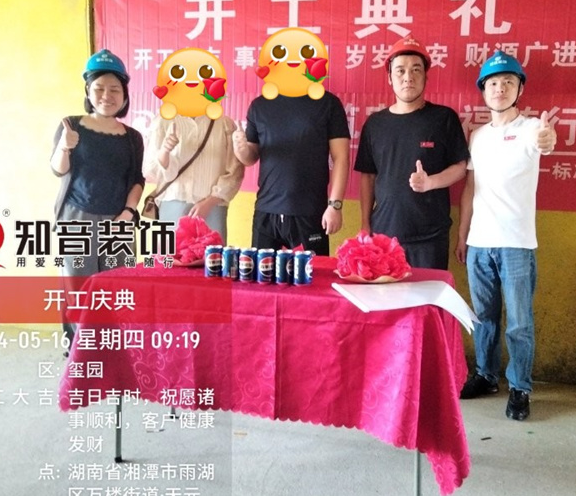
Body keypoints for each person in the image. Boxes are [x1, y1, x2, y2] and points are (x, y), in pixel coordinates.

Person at [455, 50, 557, 421]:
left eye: (508, 82)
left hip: (517, 244)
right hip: (479, 243)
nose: (500, 89)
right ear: (484, 90)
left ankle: (519, 387)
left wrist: (547, 138)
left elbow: (546, 141)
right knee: (483, 318)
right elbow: (470, 188)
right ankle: (485, 375)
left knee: (519, 323)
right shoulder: (477, 136)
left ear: (519, 89)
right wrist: (463, 236)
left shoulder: (531, 129)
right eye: (493, 83)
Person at [50, 48, 145, 346]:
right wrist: (65, 146)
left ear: (125, 95)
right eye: (99, 88)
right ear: (88, 92)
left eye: (115, 89)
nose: (107, 95)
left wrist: (128, 213)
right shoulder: (71, 125)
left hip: (118, 220)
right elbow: (58, 169)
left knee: (118, 287)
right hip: (76, 218)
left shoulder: (132, 137)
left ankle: (113, 350)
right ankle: (81, 352)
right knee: (78, 288)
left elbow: (137, 180)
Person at [354, 35, 468, 269]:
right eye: (400, 71)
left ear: (426, 76)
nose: (408, 77)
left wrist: (430, 182)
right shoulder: (375, 123)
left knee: (426, 293)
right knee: (384, 293)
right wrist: (365, 223)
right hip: (384, 234)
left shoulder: (444, 118)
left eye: (416, 70)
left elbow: (460, 168)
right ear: (390, 77)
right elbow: (368, 176)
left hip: (430, 237)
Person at [232, 82, 350, 256]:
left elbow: (341, 158)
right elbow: (250, 158)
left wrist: (335, 206)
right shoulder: (259, 105)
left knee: (313, 272)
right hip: (266, 211)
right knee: (261, 272)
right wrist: (240, 149)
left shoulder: (328, 103)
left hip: (309, 211)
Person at [143, 114, 244, 243]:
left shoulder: (224, 123)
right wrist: (164, 152)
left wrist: (210, 202)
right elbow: (150, 169)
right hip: (173, 202)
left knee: (212, 254)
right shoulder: (162, 121)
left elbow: (235, 170)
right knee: (170, 253)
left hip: (213, 207)